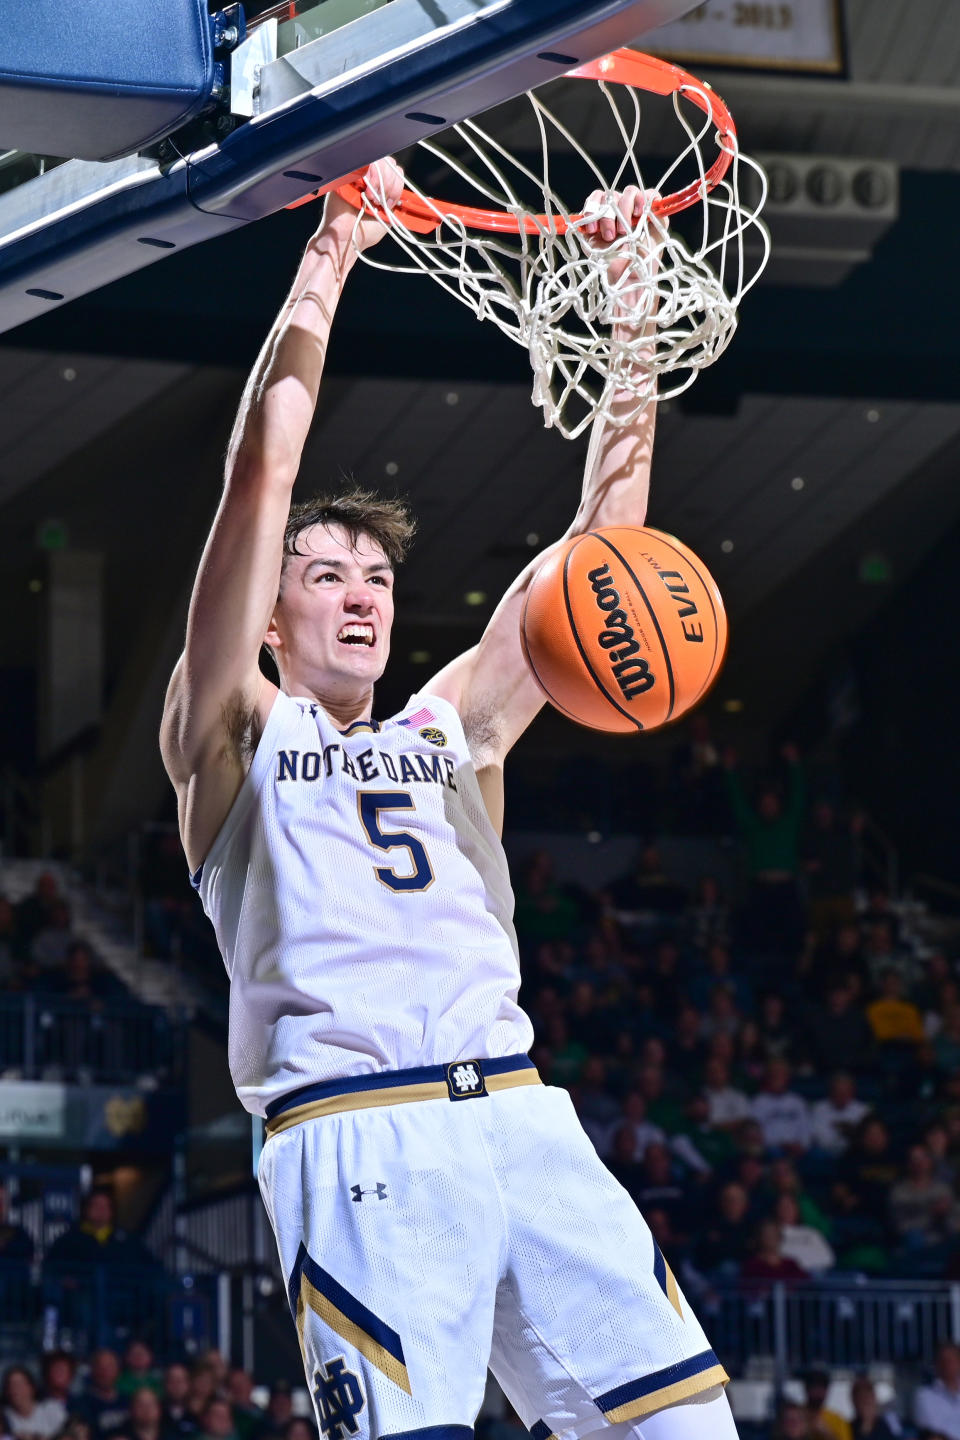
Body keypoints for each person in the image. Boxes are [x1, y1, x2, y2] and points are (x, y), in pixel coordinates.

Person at [159, 160, 735, 1440]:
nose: (362, 591)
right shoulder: (230, 733)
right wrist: (332, 251)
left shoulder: (451, 728)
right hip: (356, 1139)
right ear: (267, 615)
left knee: (686, 1430)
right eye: (324, 574)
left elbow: (599, 564)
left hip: (522, 1119)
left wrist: (630, 305)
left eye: (376, 575)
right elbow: (261, 469)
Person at [1, 1368, 66, 1440]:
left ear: (31, 1387)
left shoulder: (51, 1408)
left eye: (19, 1384)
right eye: (10, 1385)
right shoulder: (4, 1417)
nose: (14, 1389)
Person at [915, 1344, 960, 1440]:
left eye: (951, 1360)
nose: (947, 1365)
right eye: (943, 1360)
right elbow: (934, 1429)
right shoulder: (924, 1395)